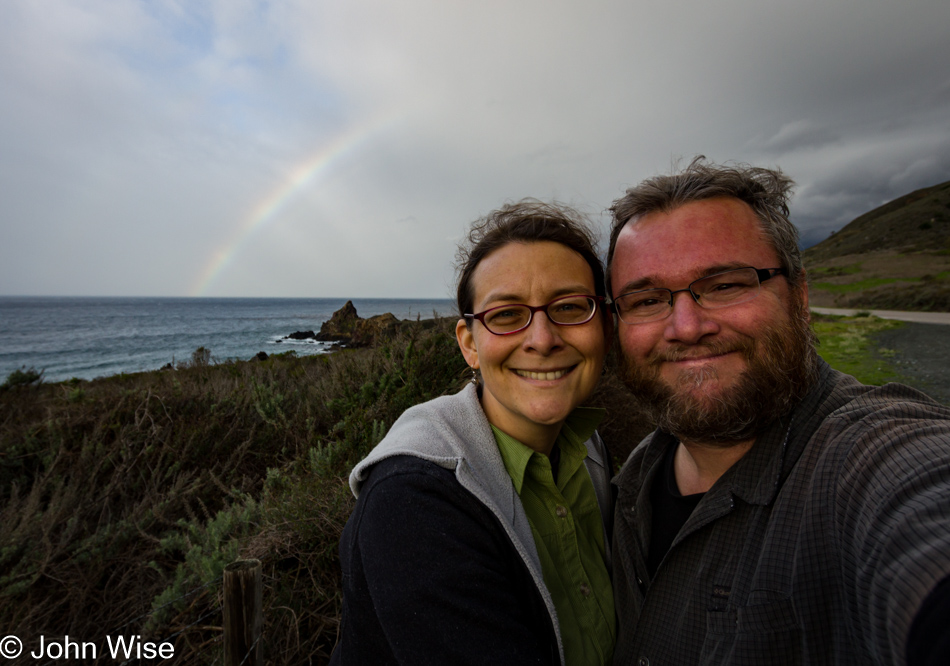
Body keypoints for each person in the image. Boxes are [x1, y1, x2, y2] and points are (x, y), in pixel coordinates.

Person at [605, 158, 950, 666]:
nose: (685, 326)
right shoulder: (632, 478)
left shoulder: (862, 458)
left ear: (800, 297)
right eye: (647, 299)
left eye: (725, 285)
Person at [330, 200, 616, 665]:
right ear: (469, 344)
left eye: (568, 307)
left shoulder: (590, 449)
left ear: (603, 324)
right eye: (506, 314)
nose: (542, 339)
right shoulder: (413, 504)